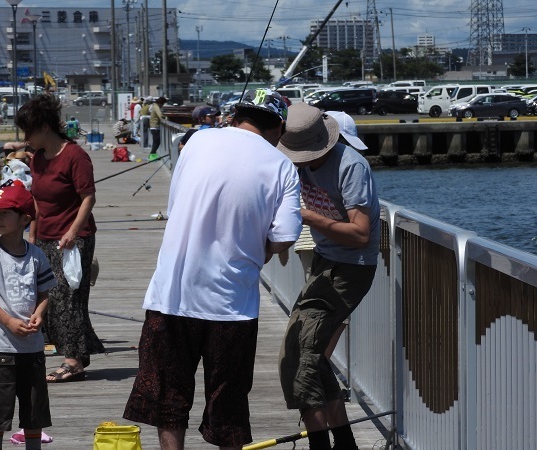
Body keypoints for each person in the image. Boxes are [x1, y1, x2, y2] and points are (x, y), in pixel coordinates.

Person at [123, 88, 303, 450]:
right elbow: (284, 238)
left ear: (235, 117)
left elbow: (177, 209)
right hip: (232, 303)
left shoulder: (197, 142)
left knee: (168, 399)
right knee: (229, 406)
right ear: (278, 129)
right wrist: (255, 249)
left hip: (171, 296)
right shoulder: (282, 166)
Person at [276, 103, 380, 450]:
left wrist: (305, 215)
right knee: (310, 355)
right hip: (324, 261)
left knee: (299, 359)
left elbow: (361, 234)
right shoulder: (297, 166)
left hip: (352, 268)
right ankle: (344, 443)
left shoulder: (350, 165)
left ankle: (321, 445)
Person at [15, 93, 105, 383]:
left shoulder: (75, 155)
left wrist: (73, 231)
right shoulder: (38, 159)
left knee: (69, 298)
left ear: (43, 127)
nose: (25, 138)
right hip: (45, 237)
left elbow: (88, 197)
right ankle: (77, 351)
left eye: (27, 131)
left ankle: (73, 361)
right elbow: (37, 201)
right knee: (49, 298)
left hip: (74, 239)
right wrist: (30, 236)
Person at [0, 183, 58, 450]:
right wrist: (8, 321)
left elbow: (45, 293)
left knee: (34, 407)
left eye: (5, 213)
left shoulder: (36, 255)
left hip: (31, 346)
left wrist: (39, 314)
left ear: (24, 219)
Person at [148, 96, 167, 161]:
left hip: (154, 127)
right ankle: (152, 155)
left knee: (155, 142)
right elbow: (160, 115)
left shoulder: (154, 106)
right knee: (157, 142)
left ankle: (153, 155)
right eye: (163, 104)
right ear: (161, 103)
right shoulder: (156, 107)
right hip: (155, 127)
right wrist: (165, 117)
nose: (163, 105)